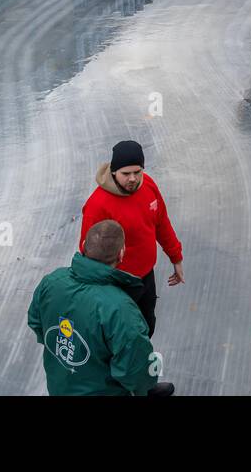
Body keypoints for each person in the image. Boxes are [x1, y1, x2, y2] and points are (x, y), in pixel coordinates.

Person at [27, 220, 174, 397]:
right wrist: (143, 388)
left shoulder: (51, 282)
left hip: (60, 386)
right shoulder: (120, 309)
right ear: (121, 254)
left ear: (83, 246)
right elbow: (136, 369)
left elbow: (36, 322)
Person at [78, 140, 183, 337]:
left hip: (145, 278)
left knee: (147, 326)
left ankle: (142, 362)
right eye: (126, 174)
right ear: (114, 172)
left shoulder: (148, 184)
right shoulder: (97, 205)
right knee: (120, 335)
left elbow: (161, 222)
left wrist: (175, 257)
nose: (133, 178)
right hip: (117, 285)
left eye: (138, 172)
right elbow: (88, 252)